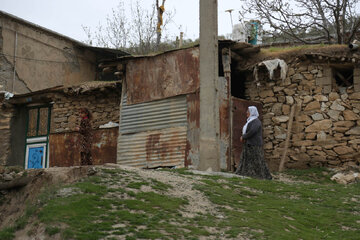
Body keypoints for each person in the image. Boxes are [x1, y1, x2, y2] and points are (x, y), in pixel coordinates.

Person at [235, 106, 272, 180]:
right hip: (249, 144)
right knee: (247, 160)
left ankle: (262, 175)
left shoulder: (256, 122)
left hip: (254, 144)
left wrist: (244, 137)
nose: (246, 113)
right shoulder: (250, 121)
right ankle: (246, 173)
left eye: (248, 111)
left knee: (257, 160)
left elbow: (252, 131)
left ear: (252, 112)